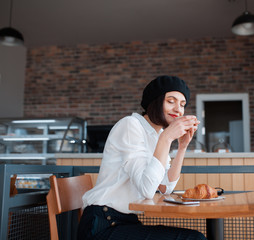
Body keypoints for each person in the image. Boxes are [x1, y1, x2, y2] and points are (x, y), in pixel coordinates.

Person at [77, 75, 206, 240]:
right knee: (194, 239)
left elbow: (166, 187)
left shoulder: (157, 135)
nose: (178, 110)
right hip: (102, 224)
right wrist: (166, 138)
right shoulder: (131, 125)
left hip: (125, 222)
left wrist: (182, 147)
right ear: (156, 101)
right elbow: (147, 189)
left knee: (194, 237)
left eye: (182, 104)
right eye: (171, 101)